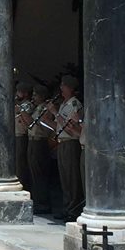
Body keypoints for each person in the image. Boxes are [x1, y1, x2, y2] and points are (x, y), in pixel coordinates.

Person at [46, 75, 84, 222]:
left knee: (72, 178)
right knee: (64, 178)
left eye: (63, 85)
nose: (61, 88)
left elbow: (69, 127)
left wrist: (55, 113)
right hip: (62, 142)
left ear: (70, 88)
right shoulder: (64, 104)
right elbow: (59, 126)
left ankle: (74, 209)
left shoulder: (74, 104)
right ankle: (67, 207)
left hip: (70, 143)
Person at [21, 85, 54, 214]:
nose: (33, 97)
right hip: (32, 140)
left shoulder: (44, 108)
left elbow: (35, 123)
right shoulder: (36, 108)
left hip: (40, 142)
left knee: (40, 174)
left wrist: (23, 112)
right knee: (33, 173)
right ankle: (37, 201)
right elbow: (29, 126)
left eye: (35, 95)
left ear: (42, 96)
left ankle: (43, 203)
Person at [15, 82, 33, 192]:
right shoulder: (18, 104)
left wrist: (20, 111)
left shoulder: (27, 105)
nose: (17, 94)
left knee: (20, 164)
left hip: (22, 136)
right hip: (15, 135)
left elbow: (28, 122)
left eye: (19, 92)